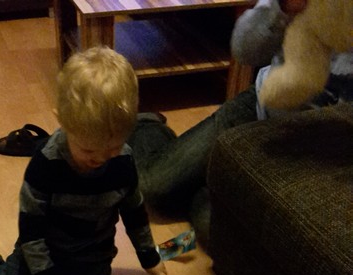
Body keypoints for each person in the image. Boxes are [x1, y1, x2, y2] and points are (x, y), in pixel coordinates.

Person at [0, 47, 167, 275]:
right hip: (41, 252)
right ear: (62, 121)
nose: (99, 159)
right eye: (87, 149)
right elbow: (31, 231)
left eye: (112, 149)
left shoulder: (124, 162)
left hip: (92, 257)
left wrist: (149, 257)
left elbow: (135, 213)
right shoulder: (46, 164)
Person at [128, 0, 352, 222]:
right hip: (261, 107)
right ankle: (147, 124)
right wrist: (281, 9)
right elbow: (244, 50)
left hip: (324, 149)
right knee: (152, 189)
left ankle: (212, 189)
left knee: (219, 224)